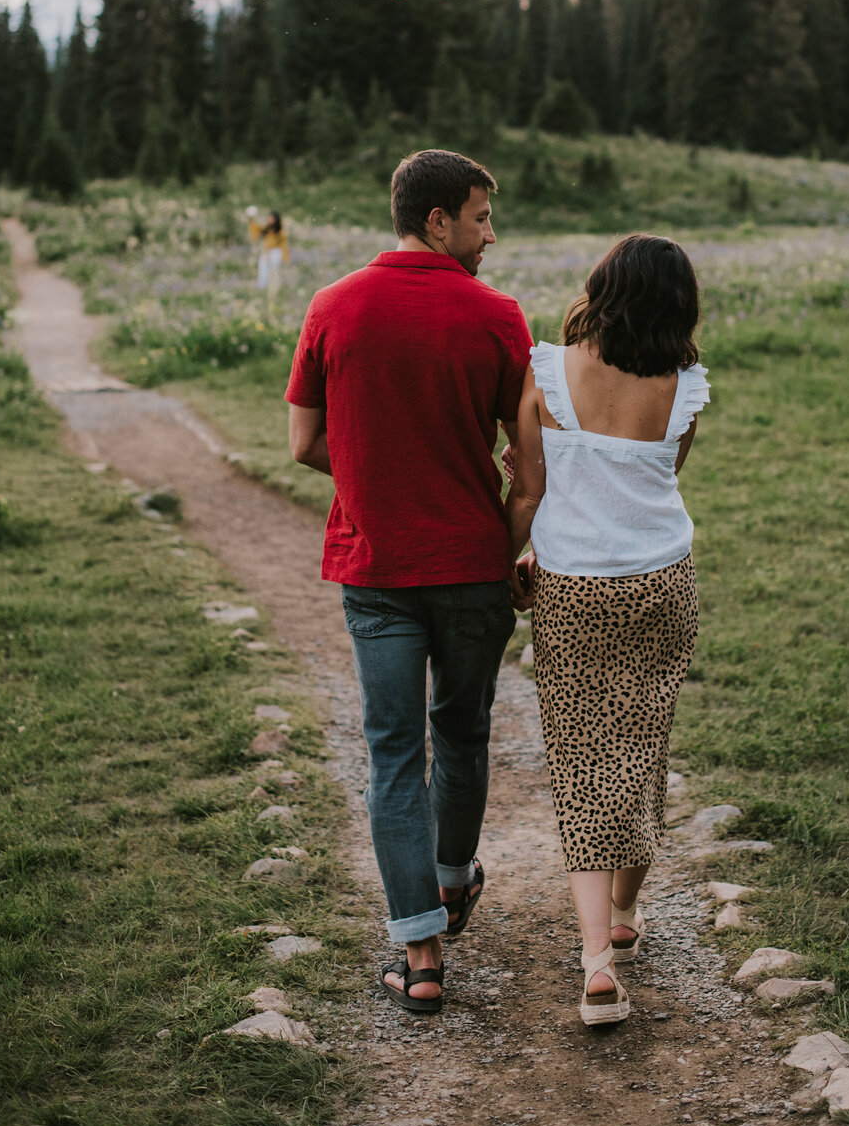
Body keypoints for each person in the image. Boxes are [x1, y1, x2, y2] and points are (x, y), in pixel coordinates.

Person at [285, 148, 532, 1015]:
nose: (489, 234)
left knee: (393, 755)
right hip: (473, 570)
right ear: (437, 221)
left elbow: (305, 444)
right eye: (480, 217)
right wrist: (513, 539)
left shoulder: (332, 307)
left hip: (378, 570)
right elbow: (526, 458)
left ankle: (421, 955)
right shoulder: (499, 317)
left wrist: (375, 482)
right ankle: (456, 880)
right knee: (461, 735)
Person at [506, 234, 708, 1027]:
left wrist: (507, 559)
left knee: (585, 761)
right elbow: (664, 474)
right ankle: (625, 915)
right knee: (643, 740)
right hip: (662, 578)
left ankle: (597, 962)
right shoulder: (685, 385)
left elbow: (527, 489)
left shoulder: (548, 370)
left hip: (574, 586)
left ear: (601, 286)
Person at [247, 207, 289, 304]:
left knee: (273, 271)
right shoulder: (267, 228)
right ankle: (263, 287)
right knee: (263, 269)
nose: (270, 220)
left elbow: (283, 244)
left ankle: (274, 288)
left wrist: (285, 256)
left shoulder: (280, 231)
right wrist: (251, 219)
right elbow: (255, 229)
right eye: (269, 218)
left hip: (275, 252)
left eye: (272, 218)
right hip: (266, 252)